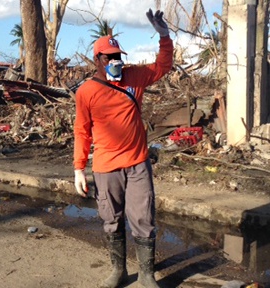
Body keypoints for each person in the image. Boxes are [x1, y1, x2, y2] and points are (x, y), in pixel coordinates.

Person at [73, 8, 173, 288]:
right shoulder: (86, 92)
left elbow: (163, 66)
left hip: (138, 162)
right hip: (106, 167)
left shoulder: (135, 77)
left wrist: (164, 36)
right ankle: (118, 272)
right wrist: (79, 169)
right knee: (111, 219)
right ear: (98, 60)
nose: (116, 62)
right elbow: (82, 131)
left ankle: (146, 275)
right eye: (110, 58)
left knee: (143, 217)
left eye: (119, 57)